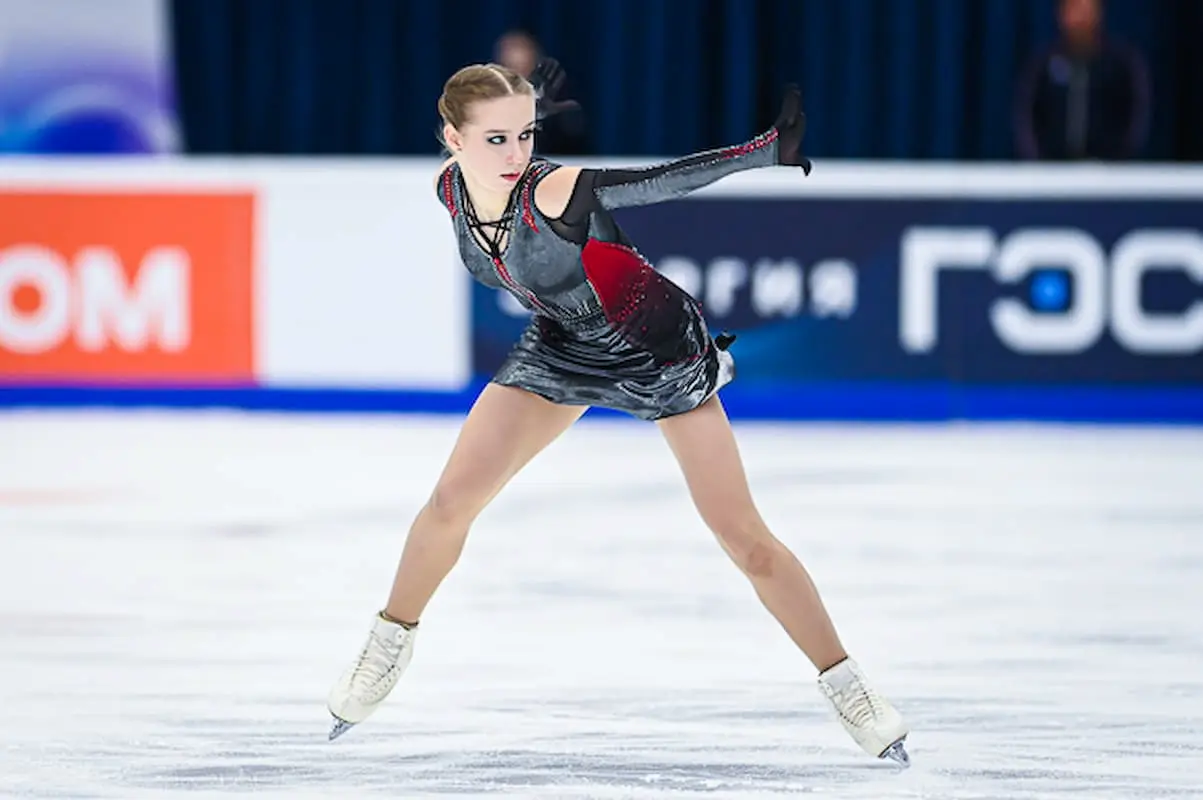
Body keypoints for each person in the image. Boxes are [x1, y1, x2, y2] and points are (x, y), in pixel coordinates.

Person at [325, 59, 911, 767]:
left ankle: (848, 686)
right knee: (451, 502)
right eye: (496, 139)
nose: (515, 154)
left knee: (743, 538)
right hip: (563, 347)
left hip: (655, 348)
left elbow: (659, 181)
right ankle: (387, 644)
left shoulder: (552, 190)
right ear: (453, 139)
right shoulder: (448, 190)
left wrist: (762, 153)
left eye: (525, 135)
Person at [1013, 0, 1151, 161]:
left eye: (1087, 8)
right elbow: (1027, 118)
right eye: (1074, 8)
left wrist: (1118, 161)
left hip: (1110, 169)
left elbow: (1134, 117)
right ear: (1061, 14)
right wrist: (1039, 162)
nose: (1080, 17)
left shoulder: (1120, 65)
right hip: (1052, 168)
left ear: (1099, 12)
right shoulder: (1044, 65)